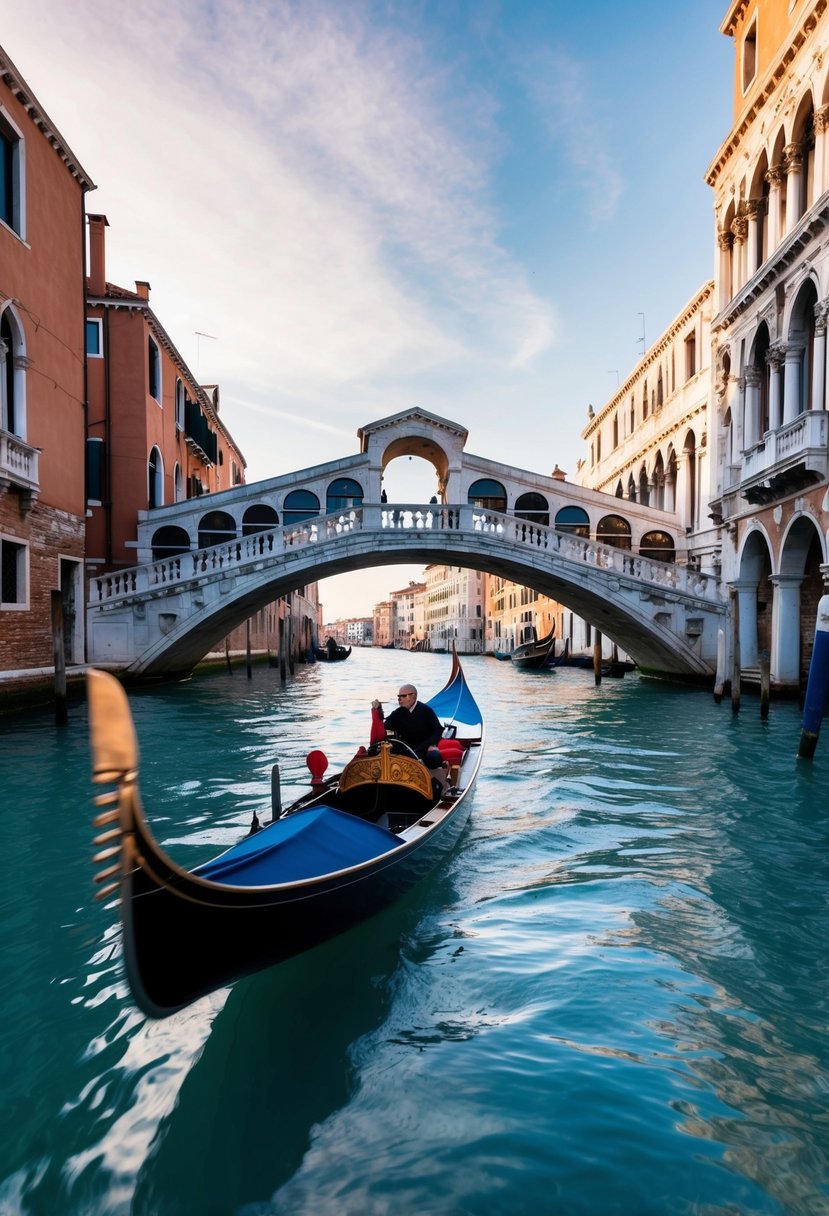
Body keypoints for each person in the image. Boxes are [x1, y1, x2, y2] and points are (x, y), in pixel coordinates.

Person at [372, 684, 447, 790]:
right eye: (398, 697)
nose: (399, 699)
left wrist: (429, 745)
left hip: (425, 749)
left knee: (434, 758)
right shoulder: (398, 713)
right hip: (406, 749)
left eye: (402, 696)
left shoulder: (426, 711)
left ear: (413, 696)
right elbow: (383, 727)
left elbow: (437, 731)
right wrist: (378, 712)